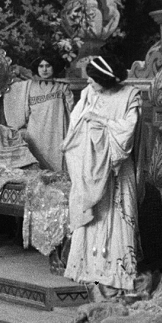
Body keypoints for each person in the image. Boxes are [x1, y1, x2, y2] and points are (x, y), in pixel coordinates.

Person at [61, 55, 141, 294]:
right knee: (93, 215)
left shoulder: (130, 96)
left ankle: (116, 271)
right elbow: (76, 123)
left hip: (117, 170)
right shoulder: (89, 93)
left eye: (93, 79)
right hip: (90, 166)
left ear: (106, 79)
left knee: (115, 214)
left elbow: (127, 132)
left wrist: (100, 120)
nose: (89, 82)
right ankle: (87, 268)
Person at [4, 54, 74, 171]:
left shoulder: (62, 87)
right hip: (36, 133)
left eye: (48, 66)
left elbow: (71, 110)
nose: (44, 69)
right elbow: (9, 88)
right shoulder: (28, 86)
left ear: (54, 67)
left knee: (57, 164)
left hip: (56, 132)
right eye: (41, 66)